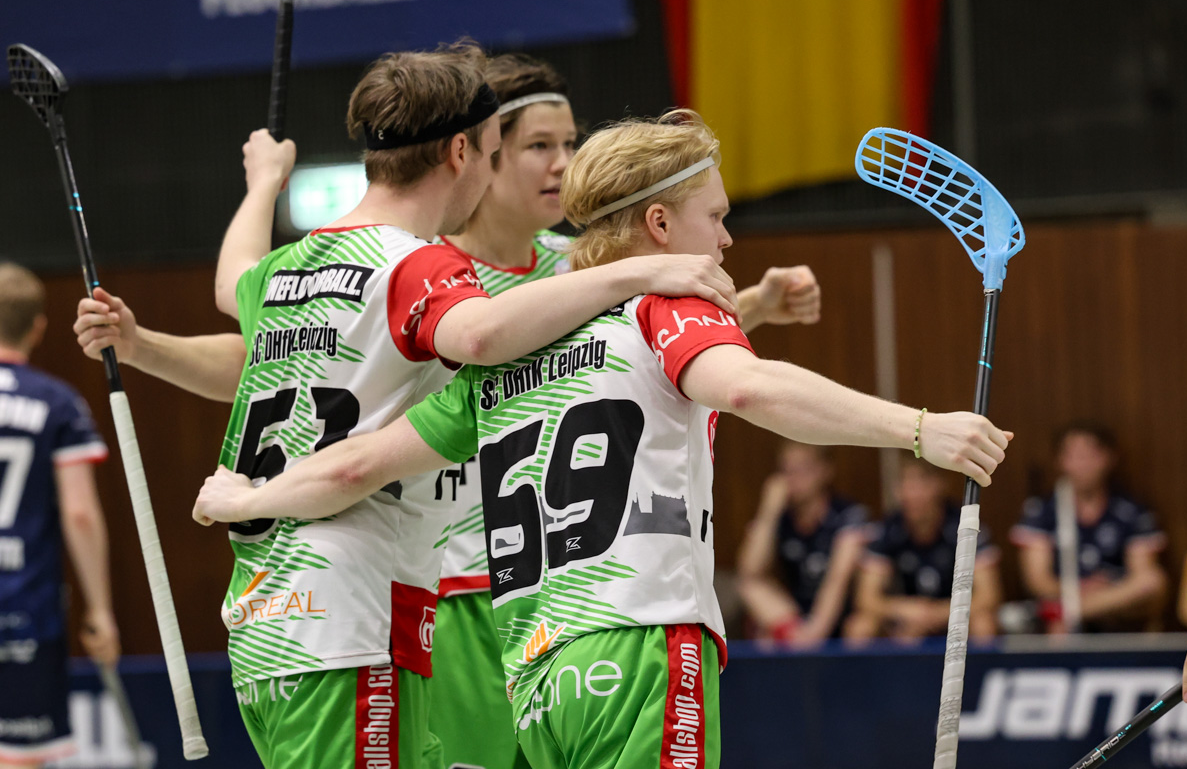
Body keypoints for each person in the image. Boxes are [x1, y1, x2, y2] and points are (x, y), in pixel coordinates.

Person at [191, 109, 1012, 769]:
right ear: (659, 223)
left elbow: (360, 464)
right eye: (716, 218)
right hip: (644, 647)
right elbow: (748, 387)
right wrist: (920, 429)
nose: (725, 240)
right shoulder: (666, 304)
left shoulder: (510, 357)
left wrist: (249, 495)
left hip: (537, 681)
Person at [72, 44, 740, 769]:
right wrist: (641, 270)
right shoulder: (417, 264)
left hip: (269, 616)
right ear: (461, 151)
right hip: (354, 611)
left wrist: (262, 186)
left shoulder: (284, 270)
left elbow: (234, 291)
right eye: (495, 153)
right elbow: (481, 335)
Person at [419, 54, 823, 769]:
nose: (562, 162)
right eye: (539, 145)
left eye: (569, 142)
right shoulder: (432, 280)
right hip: (460, 587)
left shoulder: (578, 266)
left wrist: (752, 305)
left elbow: (647, 354)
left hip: (571, 598)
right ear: (481, 156)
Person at [0, 263, 117, 768]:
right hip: (25, 605)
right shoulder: (57, 402)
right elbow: (80, 513)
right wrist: (100, 610)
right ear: (39, 327)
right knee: (20, 756)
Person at [1010, 422, 1167, 633]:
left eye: (1091, 455)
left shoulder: (1132, 509)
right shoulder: (1041, 510)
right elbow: (1038, 581)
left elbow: (1144, 575)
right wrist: (1082, 588)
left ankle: (1072, 611)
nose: (1082, 464)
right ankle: (1070, 613)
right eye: (1073, 455)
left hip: (1118, 603)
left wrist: (1101, 596)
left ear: (1109, 458)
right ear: (1060, 460)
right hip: (1063, 596)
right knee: (1058, 627)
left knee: (1153, 582)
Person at [845, 458, 1002, 643]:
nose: (912, 493)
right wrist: (904, 610)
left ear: (940, 484)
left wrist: (938, 613)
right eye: (905, 484)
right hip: (903, 618)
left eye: (921, 483)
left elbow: (988, 596)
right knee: (860, 626)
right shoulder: (887, 530)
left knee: (984, 624)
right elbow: (866, 599)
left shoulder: (966, 526)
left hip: (953, 615)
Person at [737, 441, 869, 647]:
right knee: (750, 591)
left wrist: (814, 633)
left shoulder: (847, 514)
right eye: (786, 470)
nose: (793, 478)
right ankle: (795, 638)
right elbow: (749, 573)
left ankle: (803, 643)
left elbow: (838, 579)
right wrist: (769, 511)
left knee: (860, 628)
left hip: (838, 617)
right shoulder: (782, 517)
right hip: (796, 617)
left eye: (802, 469)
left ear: (825, 471)